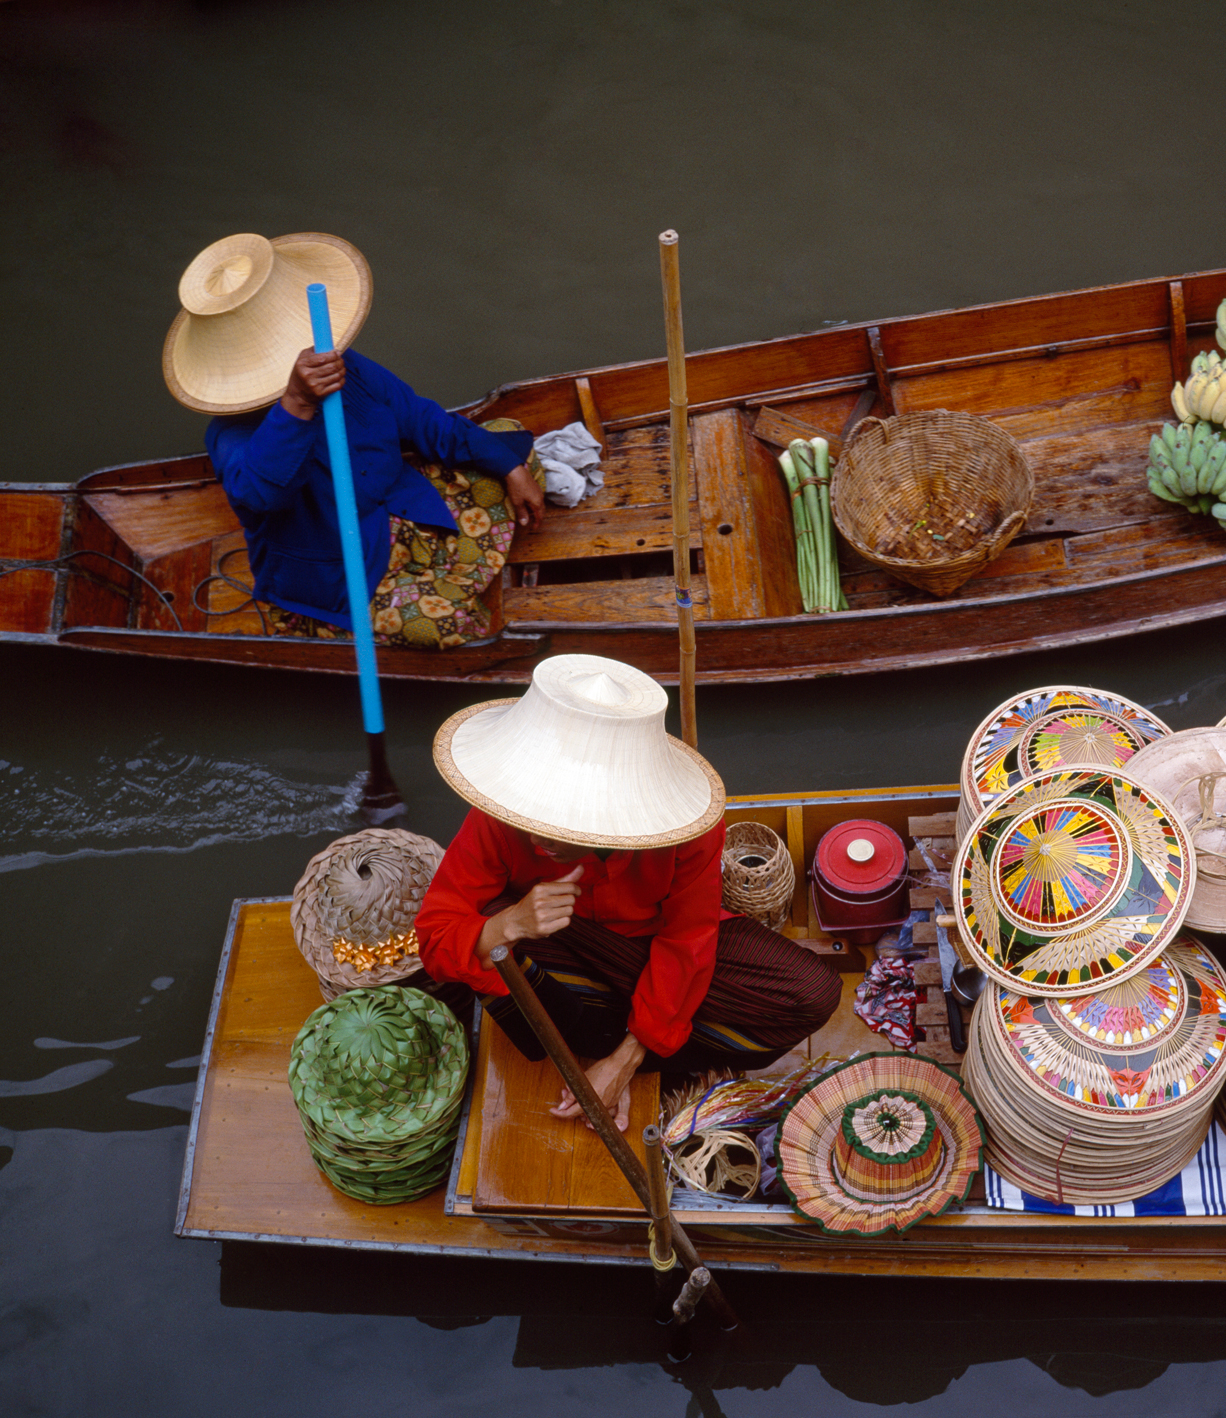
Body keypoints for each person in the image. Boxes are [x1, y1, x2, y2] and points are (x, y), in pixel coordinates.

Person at [415, 654, 843, 1130]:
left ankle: (617, 1048)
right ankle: (591, 1048)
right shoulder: (496, 819)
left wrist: (624, 1061)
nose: (539, 839)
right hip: (564, 947)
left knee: (814, 993)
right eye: (532, 819)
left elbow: (687, 941)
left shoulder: (689, 832)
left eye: (562, 829)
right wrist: (509, 923)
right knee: (488, 929)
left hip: (651, 950)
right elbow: (434, 938)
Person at [161, 231, 544, 648]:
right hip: (339, 571)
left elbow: (420, 418)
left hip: (397, 510)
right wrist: (297, 404)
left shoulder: (346, 367)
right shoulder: (230, 432)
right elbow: (261, 495)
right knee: (446, 627)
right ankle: (430, 591)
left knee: (508, 441)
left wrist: (509, 466)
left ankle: (435, 574)